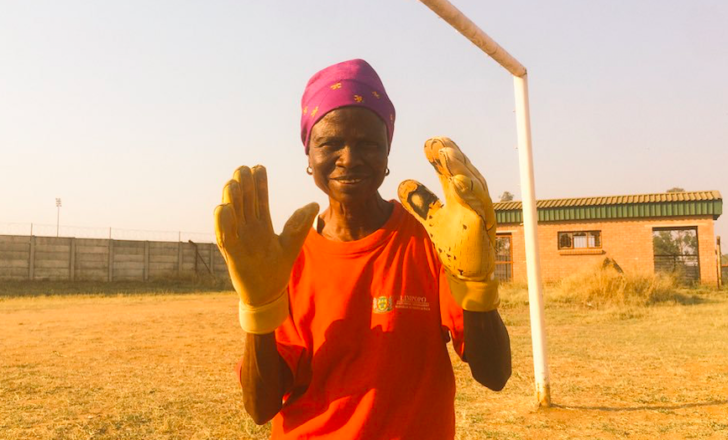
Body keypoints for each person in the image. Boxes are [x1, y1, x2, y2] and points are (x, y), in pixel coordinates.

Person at [214, 59, 511, 439]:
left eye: (368, 143)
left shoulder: (431, 238)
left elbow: (494, 374)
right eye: (330, 143)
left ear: (388, 152)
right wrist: (258, 309)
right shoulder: (285, 256)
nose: (349, 159)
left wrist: (477, 284)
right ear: (309, 155)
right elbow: (261, 407)